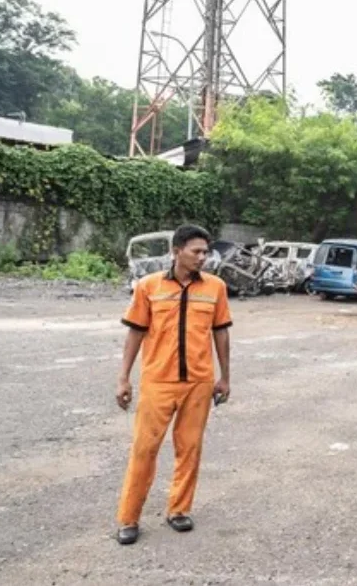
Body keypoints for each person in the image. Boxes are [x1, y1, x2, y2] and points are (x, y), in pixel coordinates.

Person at [113, 224, 233, 545]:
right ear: (176, 251)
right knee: (144, 449)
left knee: (189, 448)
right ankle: (129, 518)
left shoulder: (215, 288)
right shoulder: (149, 287)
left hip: (199, 381)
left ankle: (178, 509)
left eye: (205, 252)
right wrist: (124, 377)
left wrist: (225, 376)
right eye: (196, 251)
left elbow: (220, 332)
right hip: (157, 381)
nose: (203, 257)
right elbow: (135, 332)